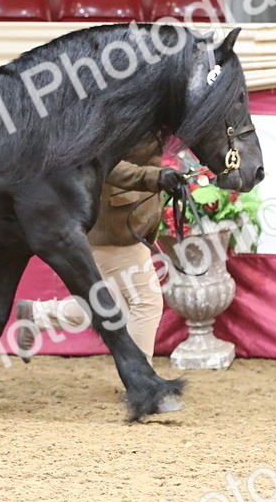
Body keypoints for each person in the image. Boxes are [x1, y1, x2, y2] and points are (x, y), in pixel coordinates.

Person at [15, 132, 184, 362]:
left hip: (130, 218)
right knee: (146, 301)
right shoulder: (113, 109)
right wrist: (154, 177)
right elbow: (102, 163)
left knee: (111, 304)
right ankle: (143, 381)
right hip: (116, 223)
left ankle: (39, 315)